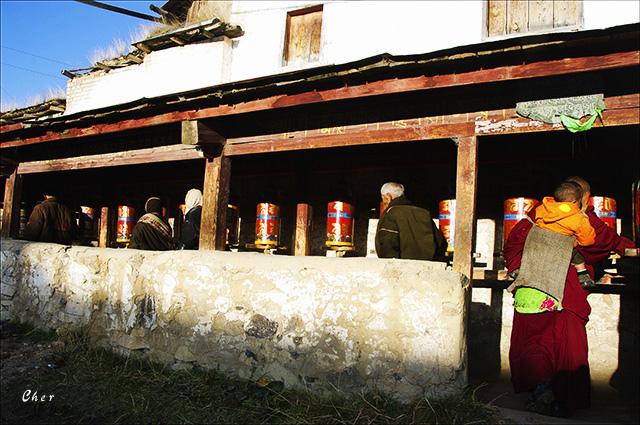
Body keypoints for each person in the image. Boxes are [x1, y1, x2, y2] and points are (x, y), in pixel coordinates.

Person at [504, 176, 635, 417]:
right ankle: (563, 401)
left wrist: (517, 269)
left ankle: (540, 391)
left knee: (534, 344)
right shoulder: (584, 221)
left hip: (533, 289)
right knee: (566, 349)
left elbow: (513, 245)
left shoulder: (534, 219)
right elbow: (607, 242)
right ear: (583, 199)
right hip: (566, 295)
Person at [530, 181, 596, 288]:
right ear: (576, 201)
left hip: (540, 246)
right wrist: (577, 241)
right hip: (562, 250)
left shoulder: (543, 208)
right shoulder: (578, 218)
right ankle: (582, 274)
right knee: (577, 253)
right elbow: (588, 240)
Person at [375, 182, 446, 260]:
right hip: (428, 267)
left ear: (388, 197)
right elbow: (440, 242)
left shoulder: (390, 214)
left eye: (383, 198)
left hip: (401, 268)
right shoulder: (424, 213)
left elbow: (387, 244)